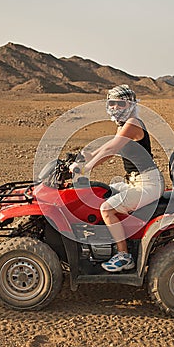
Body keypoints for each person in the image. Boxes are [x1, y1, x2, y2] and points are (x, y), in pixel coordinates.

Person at [69, 84, 164, 272]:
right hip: (135, 181)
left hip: (147, 184)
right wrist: (82, 157)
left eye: (120, 104)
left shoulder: (133, 124)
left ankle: (124, 256)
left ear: (130, 104)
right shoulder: (124, 125)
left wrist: (85, 168)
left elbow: (111, 149)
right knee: (106, 191)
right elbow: (106, 148)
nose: (115, 108)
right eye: (111, 103)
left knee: (106, 209)